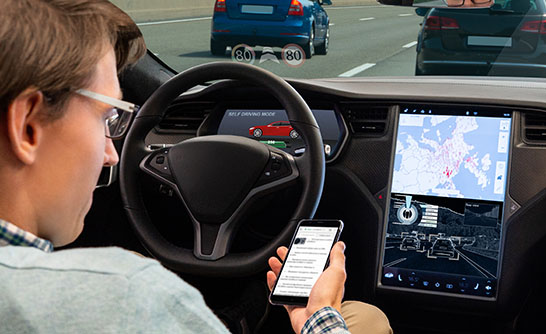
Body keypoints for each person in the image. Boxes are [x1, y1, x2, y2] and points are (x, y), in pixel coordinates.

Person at [0, 1, 391, 333]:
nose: (113, 154)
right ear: (27, 127)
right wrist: (318, 317)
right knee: (365, 318)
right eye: (107, 118)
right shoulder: (125, 293)